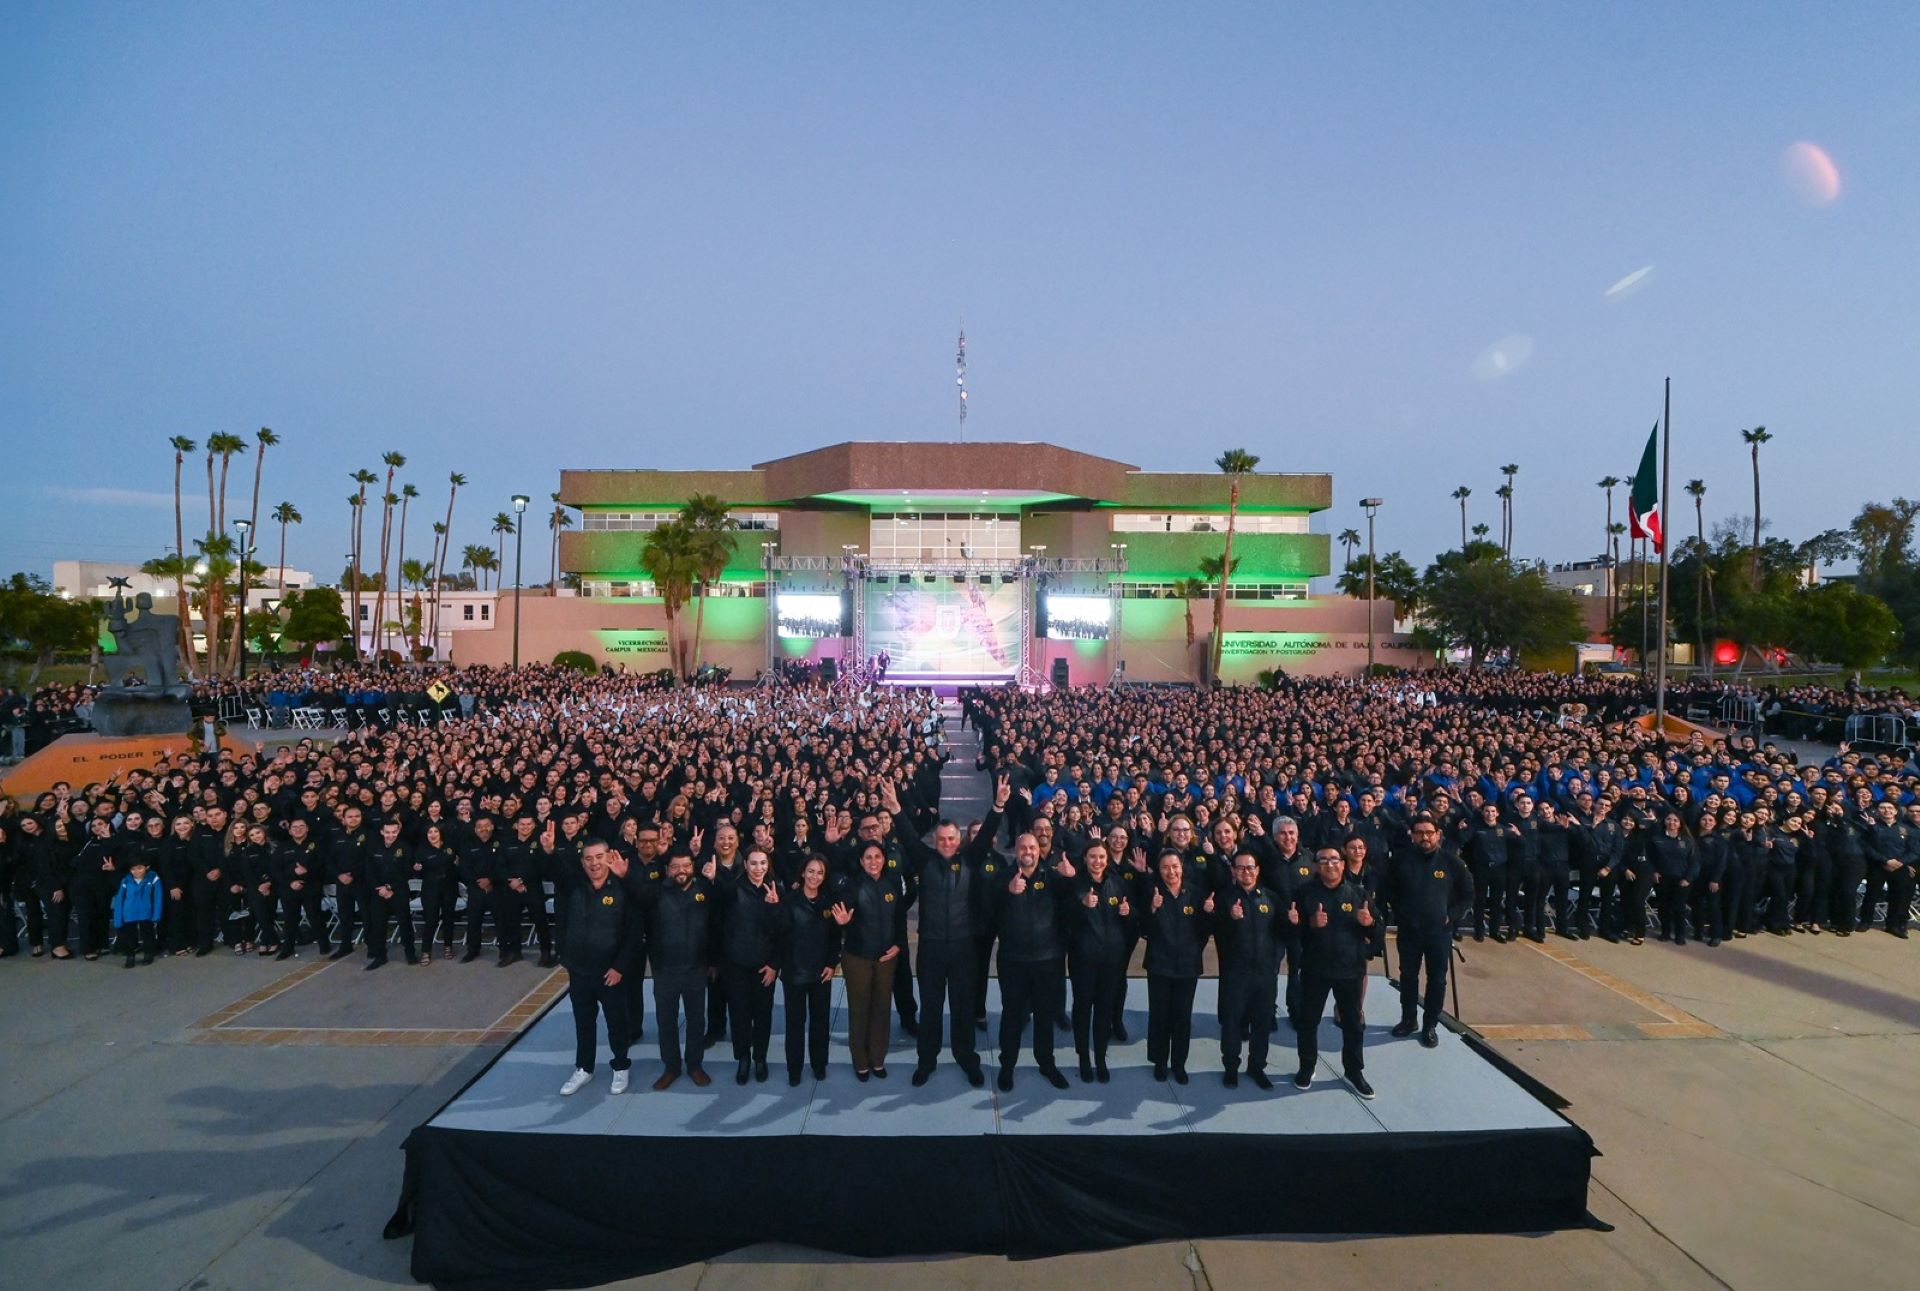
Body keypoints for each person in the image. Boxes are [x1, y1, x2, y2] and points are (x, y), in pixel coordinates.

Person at [882, 775, 1006, 1088]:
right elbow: (909, 838)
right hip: (932, 948)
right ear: (936, 841)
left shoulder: (970, 858)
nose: (947, 844)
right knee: (932, 1007)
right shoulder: (925, 861)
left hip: (964, 948)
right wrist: (896, 807)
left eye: (952, 839)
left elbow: (988, 832)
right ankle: (927, 1061)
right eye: (942, 839)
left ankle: (967, 1058)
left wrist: (999, 805)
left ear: (959, 838)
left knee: (963, 1007)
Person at [1292, 847, 1378, 1099]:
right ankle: (1307, 1066)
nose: (1330, 865)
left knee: (1353, 1024)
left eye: (1334, 860)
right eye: (1323, 860)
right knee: (1308, 1022)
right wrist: (1309, 924)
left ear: (1343, 864)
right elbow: (1291, 933)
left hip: (1350, 971)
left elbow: (1378, 933)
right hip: (1314, 969)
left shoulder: (1359, 893)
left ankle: (1353, 1071)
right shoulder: (1304, 893)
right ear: (1316, 866)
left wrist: (1369, 923)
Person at [558, 839, 641, 1096]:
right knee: (584, 1022)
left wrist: (619, 967)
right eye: (589, 858)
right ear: (582, 862)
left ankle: (620, 1066)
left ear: (609, 857)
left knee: (616, 1022)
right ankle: (584, 1067)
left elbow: (633, 933)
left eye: (599, 857)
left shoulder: (623, 888)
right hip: (579, 970)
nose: (594, 863)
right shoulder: (575, 887)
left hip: (610, 973)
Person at [992, 831, 1074, 1090]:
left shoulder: (1053, 877)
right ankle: (1007, 1065)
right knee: (1012, 1015)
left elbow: (1075, 902)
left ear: (1039, 850)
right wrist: (1007, 892)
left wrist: (1072, 878)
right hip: (1012, 960)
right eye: (1023, 848)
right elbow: (987, 909)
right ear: (1015, 851)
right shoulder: (1002, 878)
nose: (1028, 852)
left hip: (1047, 960)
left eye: (1032, 847)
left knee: (1044, 1015)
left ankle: (1046, 1063)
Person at [1387, 816, 1472, 1047]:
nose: (1424, 837)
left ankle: (1430, 1025)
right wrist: (1400, 912)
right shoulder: (1400, 860)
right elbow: (1389, 890)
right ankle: (1408, 1020)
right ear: (1412, 835)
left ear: (1438, 834)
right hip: (1409, 931)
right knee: (1407, 977)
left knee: (1436, 980)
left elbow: (1467, 894)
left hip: (1439, 932)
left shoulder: (1452, 862)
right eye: (1419, 832)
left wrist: (1451, 915)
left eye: (1429, 832)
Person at [636, 851, 714, 1089]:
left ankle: (695, 1065)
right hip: (665, 969)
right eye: (676, 866)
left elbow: (716, 925)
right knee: (666, 1020)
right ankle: (671, 1067)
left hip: (696, 968)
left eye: (686, 865)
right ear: (668, 869)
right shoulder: (655, 893)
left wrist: (712, 961)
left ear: (693, 866)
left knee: (696, 1020)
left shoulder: (705, 891)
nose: (681, 870)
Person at [1214, 852, 1284, 1088]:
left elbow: (1282, 933)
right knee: (1232, 1023)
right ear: (1233, 871)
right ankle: (1231, 1068)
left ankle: (1257, 1067)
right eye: (1241, 868)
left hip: (1265, 974)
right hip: (1235, 974)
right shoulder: (1224, 899)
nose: (1246, 872)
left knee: (1262, 1024)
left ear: (1258, 870)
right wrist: (1229, 919)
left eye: (1250, 867)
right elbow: (1216, 935)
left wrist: (1293, 922)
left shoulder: (1271, 898)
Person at [835, 840, 904, 1081]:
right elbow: (843, 914)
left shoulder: (892, 883)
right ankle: (860, 1061)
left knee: (882, 1009)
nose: (873, 861)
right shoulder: (852, 887)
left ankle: (877, 1059)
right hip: (858, 958)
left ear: (884, 859)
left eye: (877, 856)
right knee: (860, 1009)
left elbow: (900, 918)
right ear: (861, 861)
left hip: (886, 958)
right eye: (868, 857)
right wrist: (843, 923)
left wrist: (899, 945)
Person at [1141, 851, 1209, 1084]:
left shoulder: (1196, 894)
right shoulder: (1152, 893)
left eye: (1175, 866)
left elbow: (1203, 931)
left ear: (1182, 867)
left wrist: (1209, 913)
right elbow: (1144, 930)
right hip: (1159, 964)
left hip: (1187, 966)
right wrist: (1151, 908)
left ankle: (1179, 1064)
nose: (1171, 872)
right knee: (1159, 1016)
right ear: (1159, 871)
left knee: (1182, 1017)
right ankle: (1160, 1062)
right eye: (1165, 868)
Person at [717, 849, 783, 1084]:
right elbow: (719, 925)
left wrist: (774, 965)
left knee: (763, 1015)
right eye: (753, 863)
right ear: (745, 865)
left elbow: (782, 932)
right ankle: (743, 1058)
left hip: (764, 967)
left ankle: (760, 1058)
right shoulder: (732, 890)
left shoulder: (777, 889)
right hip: (736, 965)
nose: (758, 868)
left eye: (763, 863)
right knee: (739, 1014)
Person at [1068, 840, 1131, 1083]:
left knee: (1105, 1009)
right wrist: (1081, 905)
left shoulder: (1117, 883)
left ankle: (1101, 1057)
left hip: (1111, 961)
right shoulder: (1075, 884)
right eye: (1093, 857)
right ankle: (1083, 1056)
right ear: (1085, 858)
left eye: (1102, 857)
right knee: (1082, 1009)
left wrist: (1129, 913)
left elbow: (1130, 917)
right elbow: (1065, 918)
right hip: (1083, 960)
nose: (1098, 862)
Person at [780, 856, 841, 1085]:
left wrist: (831, 963)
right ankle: (794, 1069)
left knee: (820, 1023)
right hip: (795, 972)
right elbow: (780, 935)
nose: (815, 876)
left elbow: (835, 937)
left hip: (820, 974)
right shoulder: (789, 901)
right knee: (794, 1024)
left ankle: (818, 1064)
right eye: (811, 871)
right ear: (803, 873)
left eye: (820, 873)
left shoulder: (828, 902)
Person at [363, 817, 420, 970]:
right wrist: (380, 888)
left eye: (394, 832)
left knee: (405, 924)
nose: (391, 835)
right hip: (378, 892)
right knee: (378, 925)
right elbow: (369, 871)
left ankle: (410, 953)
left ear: (398, 831)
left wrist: (389, 887)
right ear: (382, 832)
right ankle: (380, 956)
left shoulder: (405, 847)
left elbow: (407, 871)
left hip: (398, 891)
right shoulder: (373, 847)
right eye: (387, 832)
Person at [111, 856, 164, 967]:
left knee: (148, 935)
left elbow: (158, 897)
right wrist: (118, 919)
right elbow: (120, 899)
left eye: (139, 868)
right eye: (133, 869)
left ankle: (148, 954)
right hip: (129, 913)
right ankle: (130, 956)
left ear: (147, 867)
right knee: (129, 936)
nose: (136, 871)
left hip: (146, 913)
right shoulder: (125, 880)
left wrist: (156, 914)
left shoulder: (153, 878)